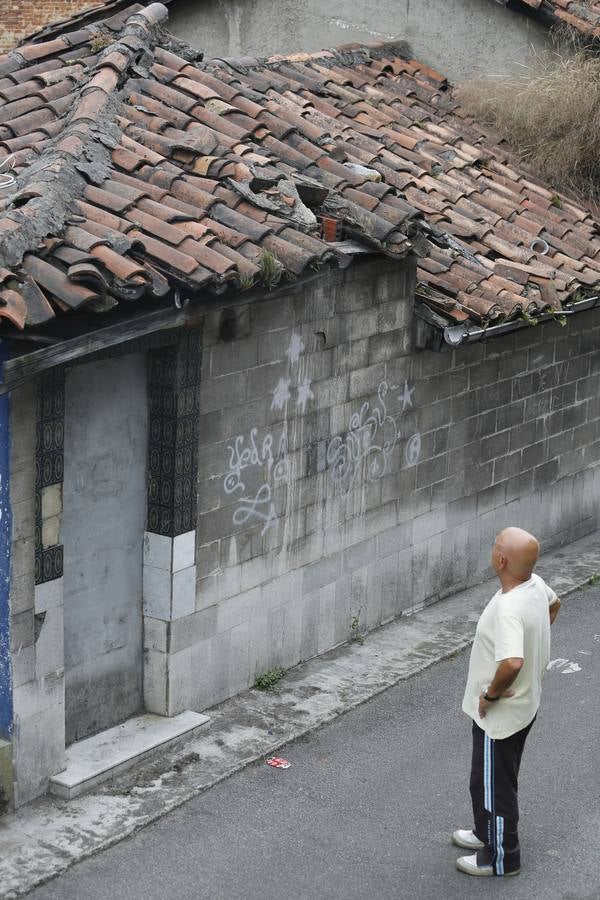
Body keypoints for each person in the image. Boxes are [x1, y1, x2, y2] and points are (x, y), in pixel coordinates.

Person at [453, 527, 561, 877]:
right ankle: (485, 831)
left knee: (496, 786)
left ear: (501, 560)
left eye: (495, 545)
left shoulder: (509, 608)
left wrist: (490, 695)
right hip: (524, 705)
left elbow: (512, 662)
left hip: (500, 715)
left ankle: (502, 857)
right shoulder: (534, 584)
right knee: (485, 778)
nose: (493, 549)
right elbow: (554, 604)